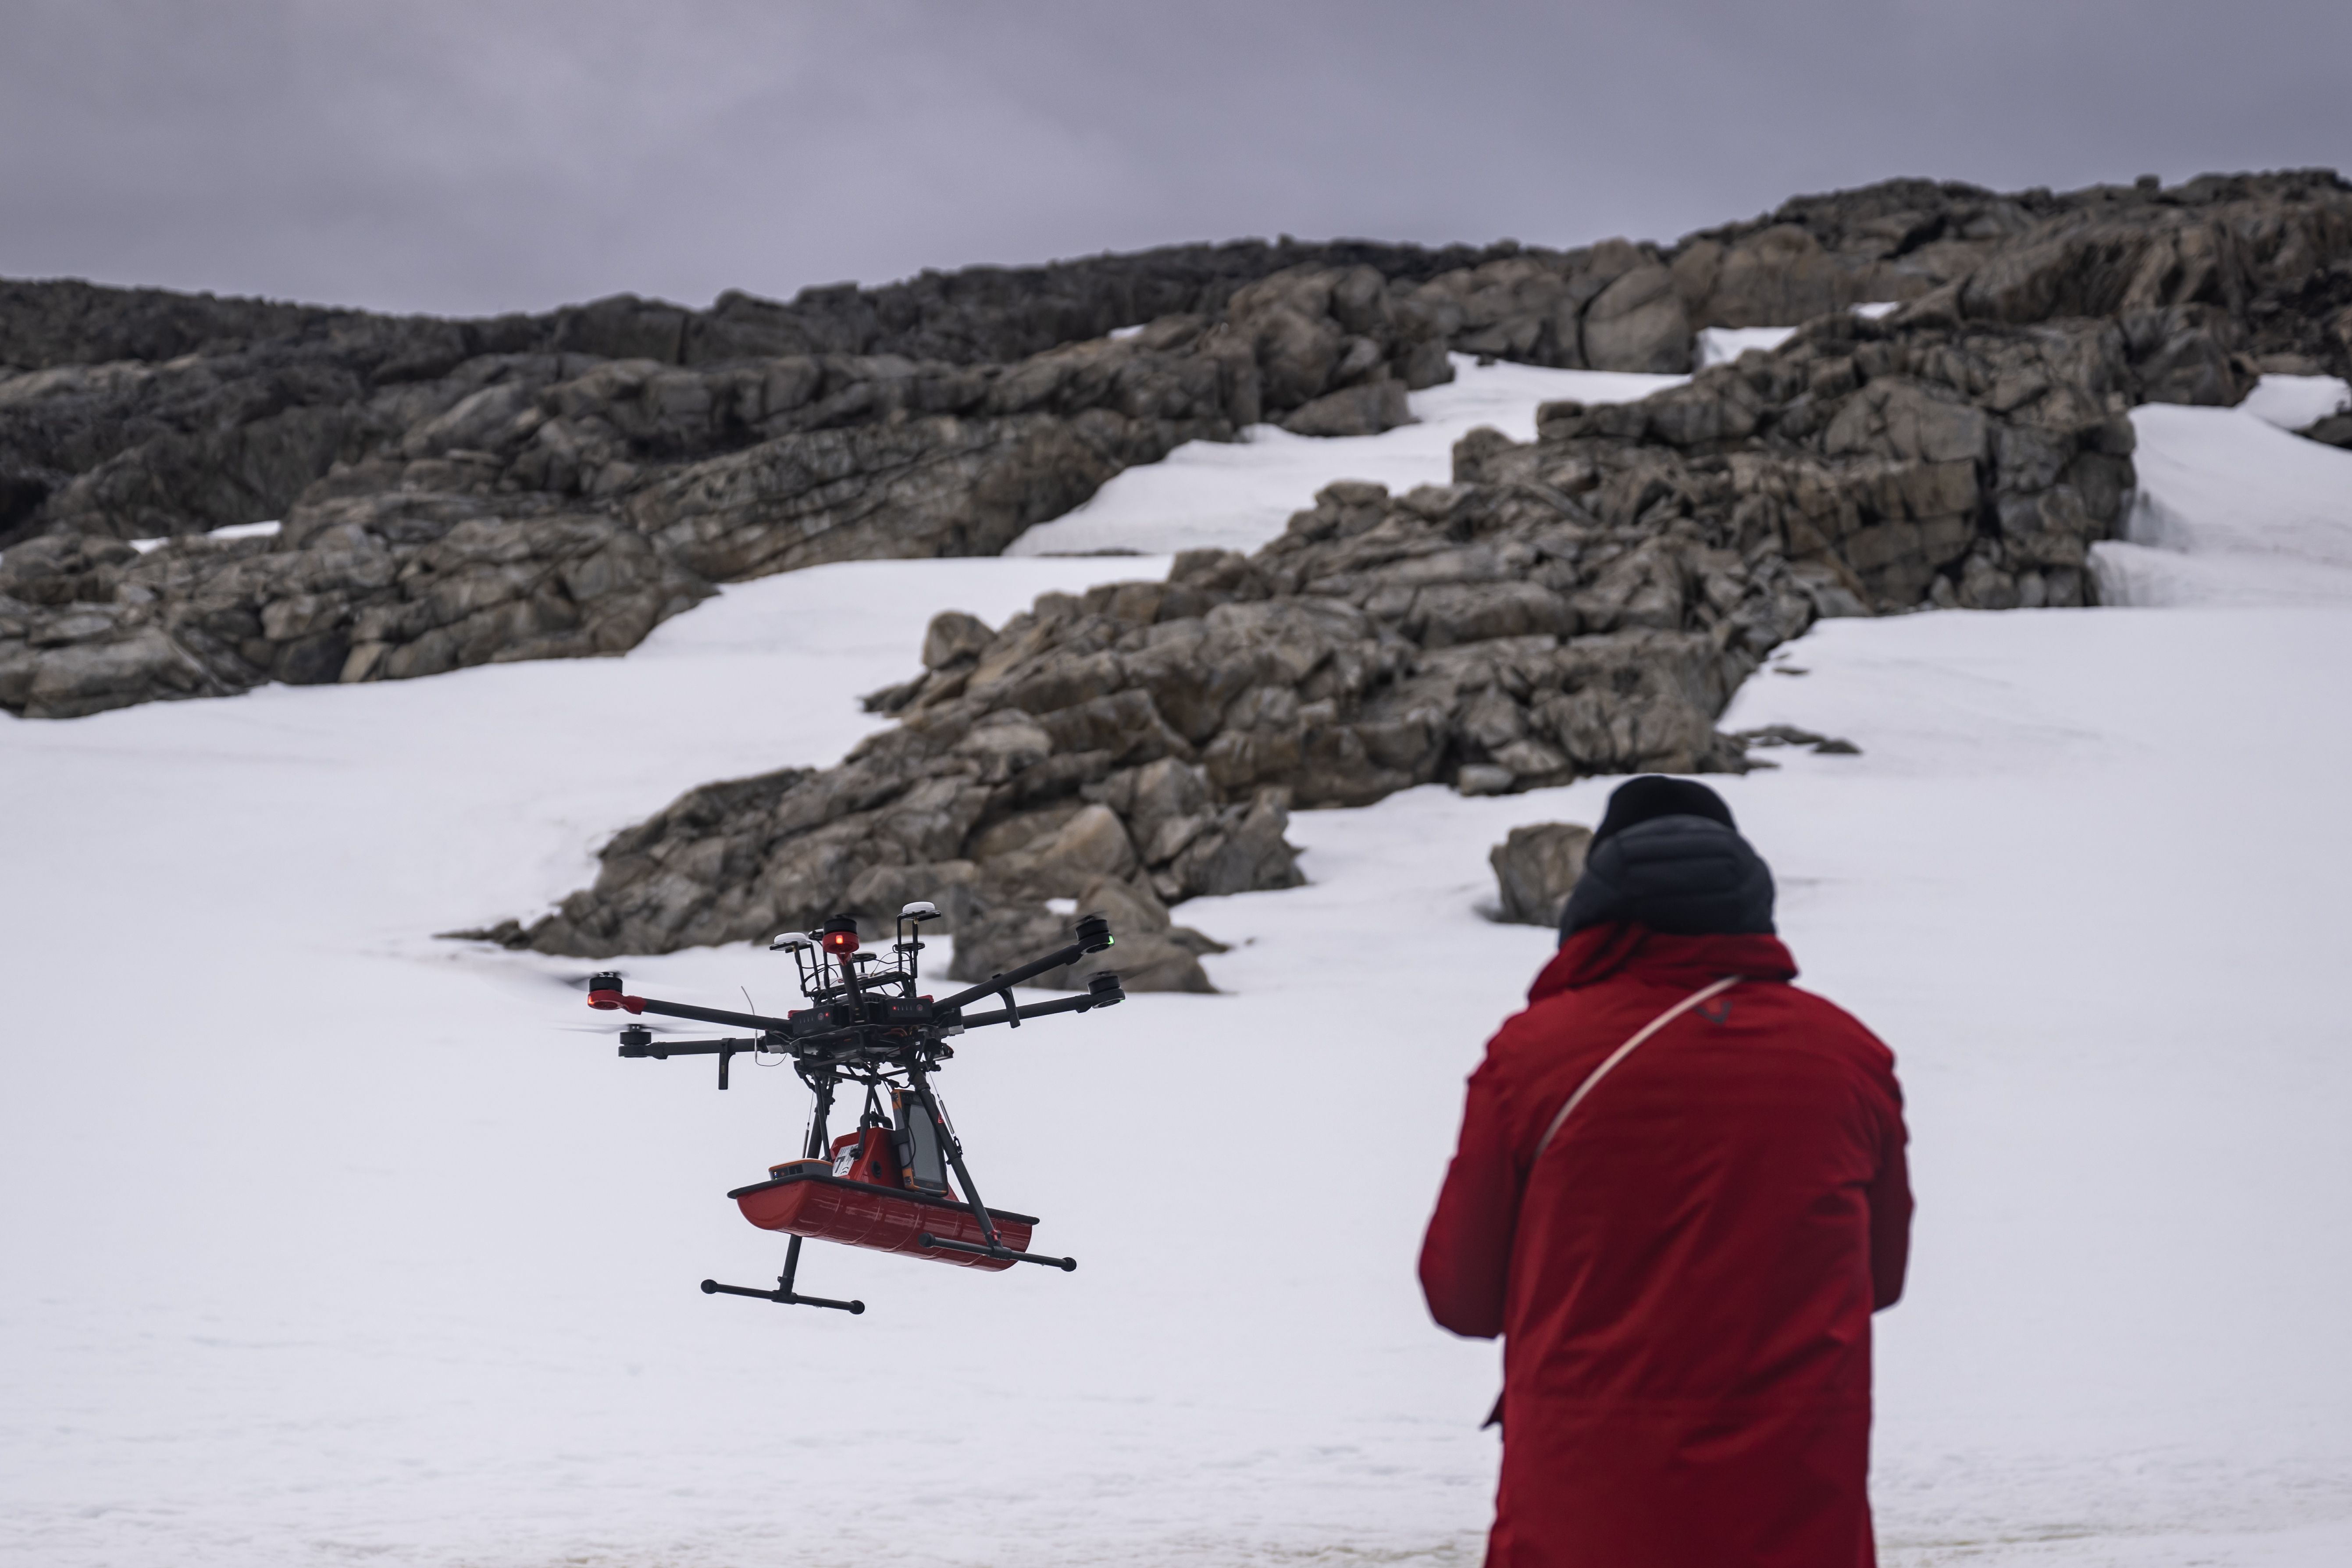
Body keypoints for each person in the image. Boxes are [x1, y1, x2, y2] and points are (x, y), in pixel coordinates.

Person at [1420, 776, 1912, 1568]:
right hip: (1793, 1517)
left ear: (1599, 900)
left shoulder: (1534, 1058)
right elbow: (1879, 1279)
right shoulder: (1847, 1058)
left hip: (1584, 1517)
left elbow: (1462, 1296)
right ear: (1750, 899)